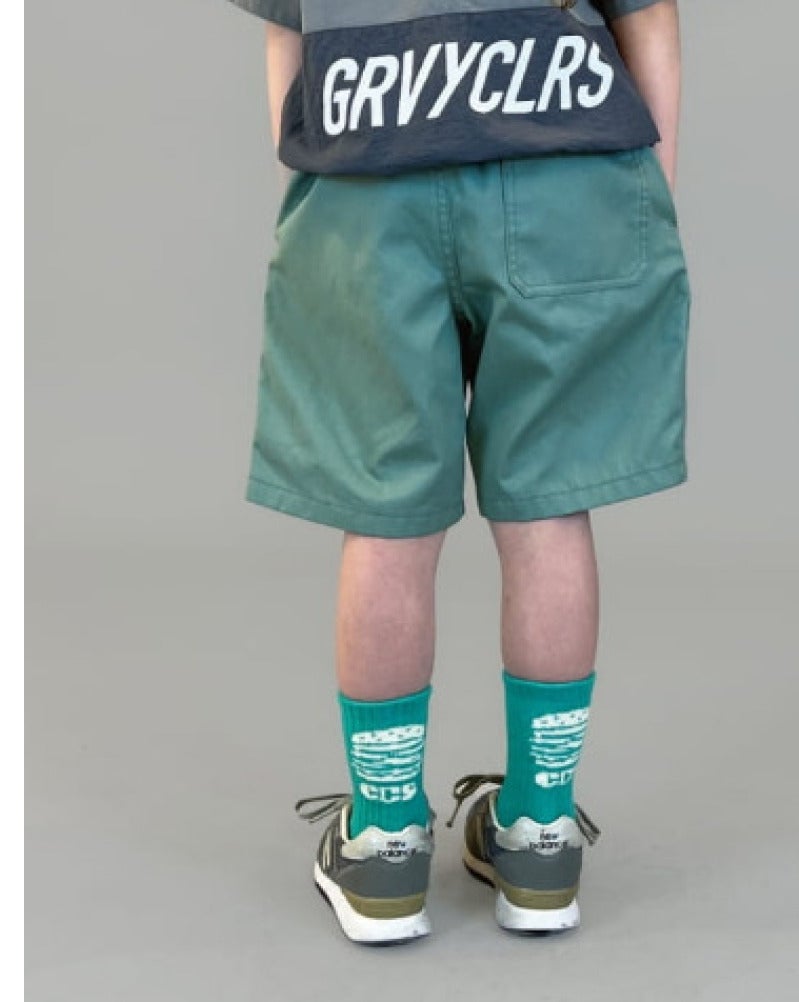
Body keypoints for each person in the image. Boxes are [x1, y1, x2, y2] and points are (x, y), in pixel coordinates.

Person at [226, 0, 690, 945]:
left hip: (366, 182)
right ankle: (541, 831)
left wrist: (327, 181)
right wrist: (643, 199)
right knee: (548, 507)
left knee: (385, 513)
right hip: (567, 173)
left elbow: (288, 42)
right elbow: (651, 18)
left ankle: (385, 840)